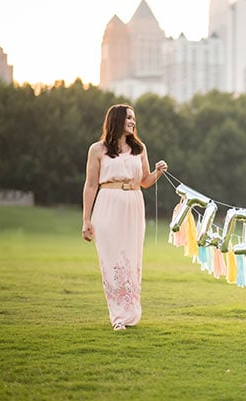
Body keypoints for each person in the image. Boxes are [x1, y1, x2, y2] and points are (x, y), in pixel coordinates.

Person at [82, 104, 168, 331]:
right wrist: (86, 219)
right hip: (108, 203)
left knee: (131, 259)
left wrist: (157, 172)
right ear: (117, 120)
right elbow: (91, 185)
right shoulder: (97, 150)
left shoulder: (139, 149)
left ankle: (130, 313)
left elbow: (145, 182)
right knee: (111, 260)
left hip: (134, 205)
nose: (133, 121)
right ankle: (117, 316)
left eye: (134, 118)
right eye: (129, 117)